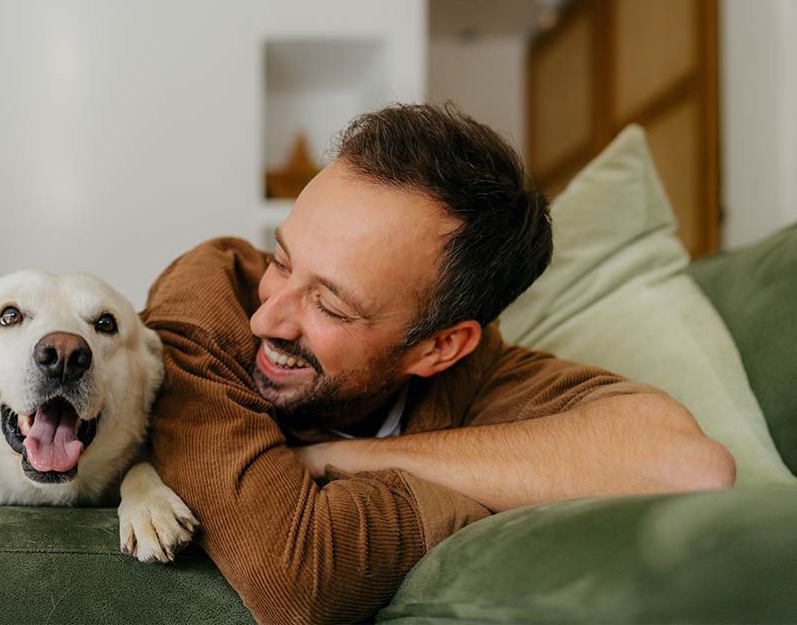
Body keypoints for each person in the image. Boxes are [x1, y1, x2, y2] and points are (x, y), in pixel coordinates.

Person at [140, 103, 735, 624]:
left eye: (331, 305)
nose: (266, 319)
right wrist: (475, 497)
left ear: (440, 348)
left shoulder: (480, 375)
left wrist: (344, 458)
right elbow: (296, 579)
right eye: (282, 260)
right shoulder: (210, 295)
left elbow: (690, 466)